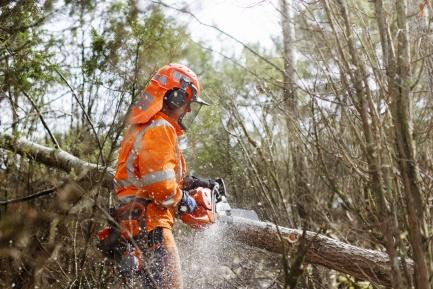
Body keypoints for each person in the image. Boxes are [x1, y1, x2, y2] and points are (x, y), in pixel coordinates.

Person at [113, 63, 209, 289]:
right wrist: (186, 201)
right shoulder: (160, 128)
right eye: (186, 103)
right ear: (174, 97)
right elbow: (161, 188)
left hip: (134, 228)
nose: (188, 110)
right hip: (152, 227)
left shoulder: (141, 127)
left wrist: (190, 184)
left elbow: (147, 176)